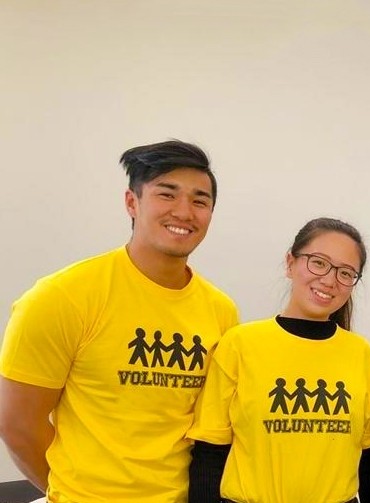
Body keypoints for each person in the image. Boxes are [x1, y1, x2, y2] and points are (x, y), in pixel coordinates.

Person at [0, 140, 239, 502]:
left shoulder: (221, 311)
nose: (184, 211)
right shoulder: (62, 296)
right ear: (132, 202)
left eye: (200, 201)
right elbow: (18, 425)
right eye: (167, 194)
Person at [187, 217, 370, 503]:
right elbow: (209, 451)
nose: (329, 279)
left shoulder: (361, 354)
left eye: (345, 272)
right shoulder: (240, 344)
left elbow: (369, 458)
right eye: (318, 262)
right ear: (290, 263)